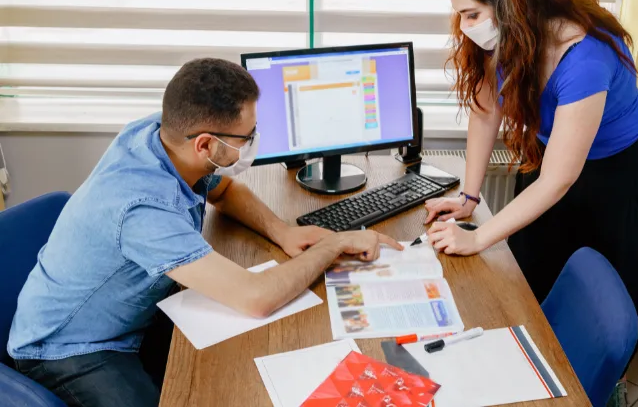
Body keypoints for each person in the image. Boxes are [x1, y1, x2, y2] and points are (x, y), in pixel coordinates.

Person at [7, 58, 402, 407]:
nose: (253, 144)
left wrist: (282, 232)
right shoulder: (143, 207)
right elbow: (256, 298)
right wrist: (336, 243)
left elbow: (224, 190)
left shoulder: (160, 135)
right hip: (69, 348)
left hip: (128, 314)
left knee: (241, 365)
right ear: (206, 145)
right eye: (246, 138)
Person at [424, 0, 638, 324]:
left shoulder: (583, 57)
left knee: (610, 296)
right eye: (460, 15)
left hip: (620, 169)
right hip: (554, 152)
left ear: (511, 5)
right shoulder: (508, 38)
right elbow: (486, 112)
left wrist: (477, 237)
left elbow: (557, 179)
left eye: (472, 14)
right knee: (534, 269)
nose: (465, 26)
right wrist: (469, 197)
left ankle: (611, 379)